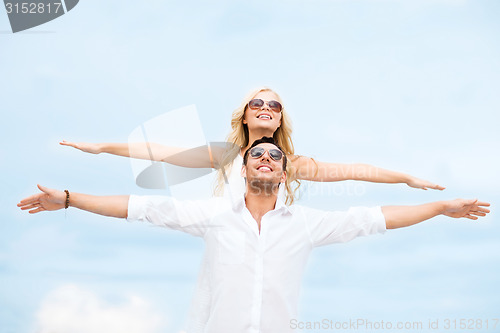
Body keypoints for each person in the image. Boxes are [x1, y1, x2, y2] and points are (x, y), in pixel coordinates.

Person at [18, 137, 489, 333]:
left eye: (275, 157)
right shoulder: (212, 216)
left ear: (285, 173)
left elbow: (379, 217)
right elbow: (138, 208)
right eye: (257, 156)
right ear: (242, 168)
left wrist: (440, 206)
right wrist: (69, 196)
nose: (267, 159)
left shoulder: (306, 224)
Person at [60, 87, 445, 204]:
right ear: (245, 116)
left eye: (273, 105)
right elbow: (158, 150)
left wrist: (406, 179)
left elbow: (358, 171)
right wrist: (101, 147)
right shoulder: (224, 155)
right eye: (256, 104)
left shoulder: (291, 162)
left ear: (279, 119)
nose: (265, 108)